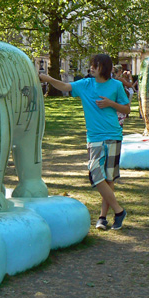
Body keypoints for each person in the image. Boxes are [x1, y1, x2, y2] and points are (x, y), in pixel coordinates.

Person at [39, 54, 130, 231]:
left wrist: (111, 103)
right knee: (96, 174)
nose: (91, 68)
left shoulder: (116, 85)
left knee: (109, 178)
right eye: (91, 65)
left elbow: (126, 109)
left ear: (104, 67)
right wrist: (48, 79)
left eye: (95, 65)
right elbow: (65, 86)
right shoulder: (85, 84)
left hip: (113, 134)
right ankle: (119, 211)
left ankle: (103, 218)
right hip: (94, 137)